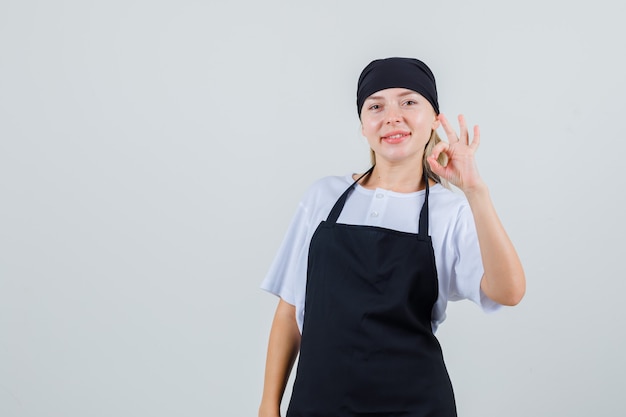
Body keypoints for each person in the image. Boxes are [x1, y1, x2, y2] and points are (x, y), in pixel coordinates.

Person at [258, 57, 525, 417]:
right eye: (376, 106)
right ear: (363, 125)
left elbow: (509, 292)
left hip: (416, 407)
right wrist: (268, 406)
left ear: (434, 119)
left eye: (409, 102)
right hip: (317, 405)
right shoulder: (323, 197)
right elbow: (290, 311)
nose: (392, 116)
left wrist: (476, 192)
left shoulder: (450, 211)